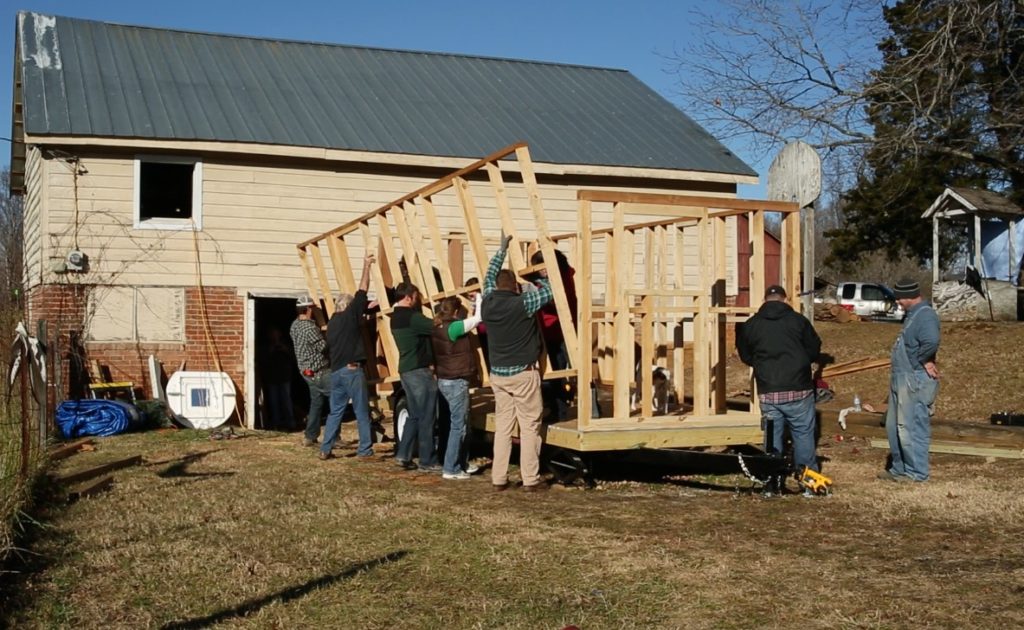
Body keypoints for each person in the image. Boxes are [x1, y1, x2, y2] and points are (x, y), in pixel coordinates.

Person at [481, 234, 553, 492]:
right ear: (514, 286)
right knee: (530, 426)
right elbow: (551, 291)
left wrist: (501, 249)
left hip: (499, 375)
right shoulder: (523, 303)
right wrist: (544, 274)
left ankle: (499, 478)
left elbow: (488, 278)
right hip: (523, 374)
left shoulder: (487, 303)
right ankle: (530, 479)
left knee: (503, 427)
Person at [736, 285, 823, 495]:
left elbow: (745, 355)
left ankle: (772, 482)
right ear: (785, 299)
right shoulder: (798, 321)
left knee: (772, 437)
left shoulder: (751, 325)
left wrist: (760, 364)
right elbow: (814, 348)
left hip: (768, 389)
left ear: (765, 299)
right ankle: (808, 484)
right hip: (799, 388)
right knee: (803, 435)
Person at [879, 278, 940, 483]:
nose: (897, 303)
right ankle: (899, 468)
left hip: (913, 378)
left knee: (911, 427)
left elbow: (931, 341)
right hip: (900, 378)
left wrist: (923, 360)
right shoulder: (912, 315)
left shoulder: (926, 316)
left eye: (899, 299)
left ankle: (917, 473)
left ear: (908, 296)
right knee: (893, 426)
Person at [319, 253, 377, 461]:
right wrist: (366, 265)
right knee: (362, 411)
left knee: (335, 412)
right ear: (348, 306)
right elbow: (362, 289)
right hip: (352, 371)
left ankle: (325, 448)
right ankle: (364, 450)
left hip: (336, 373)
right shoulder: (350, 315)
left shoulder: (332, 323)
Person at [431, 294, 484, 480]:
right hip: (456, 381)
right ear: (455, 311)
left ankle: (459, 463)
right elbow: (478, 319)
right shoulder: (453, 327)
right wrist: (479, 299)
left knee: (453, 423)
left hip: (444, 379)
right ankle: (451, 469)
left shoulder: (437, 326)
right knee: (458, 426)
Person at [391, 282, 440, 472]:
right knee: (427, 415)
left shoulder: (395, 317)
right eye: (416, 296)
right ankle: (427, 461)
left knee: (415, 415)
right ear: (408, 296)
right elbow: (434, 327)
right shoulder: (412, 317)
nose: (417, 300)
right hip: (419, 371)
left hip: (406, 370)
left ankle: (403, 454)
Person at [290, 295, 330, 447]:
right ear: (307, 309)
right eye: (311, 309)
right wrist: (329, 335)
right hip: (318, 370)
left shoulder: (294, 325)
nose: (312, 312)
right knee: (337, 399)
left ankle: (310, 436)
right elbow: (323, 348)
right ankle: (334, 436)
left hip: (305, 370)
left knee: (317, 402)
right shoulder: (309, 327)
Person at [260, 328, 294, 428]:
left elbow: (293, 357)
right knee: (273, 400)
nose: (274, 336)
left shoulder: (285, 344)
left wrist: (285, 349)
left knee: (286, 399)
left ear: (280, 334)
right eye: (272, 334)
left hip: (284, 375)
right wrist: (271, 349)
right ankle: (276, 422)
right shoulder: (266, 346)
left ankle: (290, 422)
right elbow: (263, 359)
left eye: (276, 334)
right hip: (272, 376)